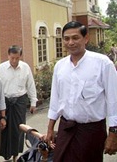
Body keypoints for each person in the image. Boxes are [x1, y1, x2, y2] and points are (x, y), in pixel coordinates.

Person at [46, 21, 117, 161]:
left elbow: (113, 101)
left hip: (91, 132)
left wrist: (113, 133)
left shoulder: (103, 63)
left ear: (86, 39)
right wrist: (50, 129)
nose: (70, 42)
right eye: (66, 38)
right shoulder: (60, 66)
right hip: (65, 129)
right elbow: (55, 100)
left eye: (75, 38)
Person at [0, 45, 37, 162]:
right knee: (4, 128)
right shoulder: (0, 68)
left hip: (20, 101)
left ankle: (15, 154)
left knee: (19, 129)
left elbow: (30, 85)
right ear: (8, 56)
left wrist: (33, 101)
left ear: (20, 57)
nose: (14, 61)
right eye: (12, 58)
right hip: (4, 101)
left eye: (17, 58)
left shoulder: (25, 67)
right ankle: (4, 154)